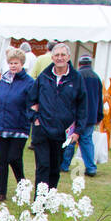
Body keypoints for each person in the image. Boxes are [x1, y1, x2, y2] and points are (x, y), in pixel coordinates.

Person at [28, 42, 86, 192]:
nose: (60, 58)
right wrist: (35, 118)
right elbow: (31, 99)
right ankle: (39, 202)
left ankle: (50, 198)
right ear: (52, 57)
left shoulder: (76, 79)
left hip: (62, 132)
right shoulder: (44, 76)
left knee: (55, 167)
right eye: (57, 55)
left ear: (68, 57)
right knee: (43, 166)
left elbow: (82, 106)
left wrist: (77, 131)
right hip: (42, 129)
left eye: (63, 55)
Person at [0, 47, 34, 201]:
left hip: (19, 127)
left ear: (22, 64)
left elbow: (32, 104)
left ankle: (22, 185)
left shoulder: (29, 83)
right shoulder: (2, 82)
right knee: (1, 161)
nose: (13, 66)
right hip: (1, 126)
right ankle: (1, 192)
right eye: (11, 63)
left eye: (16, 63)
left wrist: (29, 119)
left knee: (14, 158)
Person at [60, 53, 102, 176]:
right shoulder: (96, 77)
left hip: (76, 115)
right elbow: (100, 98)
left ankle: (64, 165)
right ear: (90, 64)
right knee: (87, 140)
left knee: (70, 140)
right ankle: (91, 167)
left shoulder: (75, 76)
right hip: (90, 116)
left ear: (79, 64)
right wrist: (99, 115)